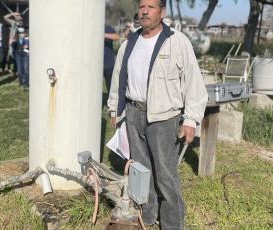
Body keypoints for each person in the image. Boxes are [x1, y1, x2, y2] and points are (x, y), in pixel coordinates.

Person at [107, 0, 208, 228]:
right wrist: (115, 107)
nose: (144, 11)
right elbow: (117, 78)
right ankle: (148, 215)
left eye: (151, 7)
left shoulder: (176, 42)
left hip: (164, 119)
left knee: (165, 175)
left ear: (162, 12)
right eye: (142, 6)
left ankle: (172, 223)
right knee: (141, 173)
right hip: (133, 114)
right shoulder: (130, 42)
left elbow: (194, 84)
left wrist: (191, 120)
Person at [104, 24, 119, 92]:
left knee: (110, 85)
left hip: (108, 63)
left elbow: (116, 37)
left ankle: (111, 101)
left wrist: (102, 34)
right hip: (95, 64)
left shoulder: (107, 27)